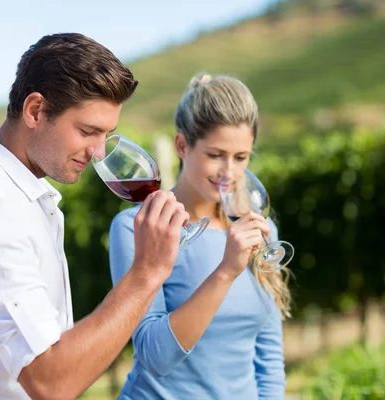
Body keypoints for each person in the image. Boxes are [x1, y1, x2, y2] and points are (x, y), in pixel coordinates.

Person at [0, 32, 190, 400]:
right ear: (35, 111)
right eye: (87, 131)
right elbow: (51, 382)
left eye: (107, 134)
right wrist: (147, 273)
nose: (99, 152)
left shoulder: (24, 198)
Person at [109, 72, 292, 399]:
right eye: (215, 155)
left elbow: (269, 356)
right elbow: (155, 357)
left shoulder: (258, 229)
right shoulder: (136, 227)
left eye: (241, 158)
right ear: (182, 145)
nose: (229, 172)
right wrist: (225, 273)